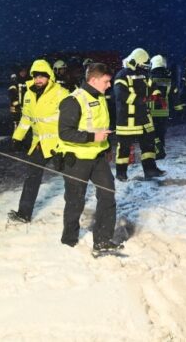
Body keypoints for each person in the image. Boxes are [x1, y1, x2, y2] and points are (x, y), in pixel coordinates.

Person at [57, 62, 121, 252]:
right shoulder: (73, 101)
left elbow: (100, 126)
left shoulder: (100, 97)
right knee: (75, 200)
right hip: (77, 160)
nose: (109, 85)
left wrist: (106, 147)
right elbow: (65, 133)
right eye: (106, 81)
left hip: (98, 158)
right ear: (93, 80)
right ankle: (69, 240)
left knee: (108, 194)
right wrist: (93, 137)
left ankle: (102, 239)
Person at [7, 59, 70, 223]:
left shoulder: (61, 93)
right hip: (39, 144)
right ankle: (24, 214)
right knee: (32, 177)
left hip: (59, 145)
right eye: (35, 77)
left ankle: (74, 213)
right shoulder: (29, 94)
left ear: (49, 76)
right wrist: (17, 137)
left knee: (72, 178)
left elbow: (71, 120)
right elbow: (26, 118)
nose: (38, 80)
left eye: (42, 77)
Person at [113, 48, 164, 181]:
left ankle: (150, 170)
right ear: (135, 62)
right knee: (124, 148)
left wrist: (157, 95)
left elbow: (153, 87)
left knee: (149, 146)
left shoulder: (145, 75)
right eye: (143, 66)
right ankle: (121, 173)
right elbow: (121, 95)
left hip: (144, 119)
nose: (144, 69)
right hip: (127, 120)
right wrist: (142, 100)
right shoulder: (121, 75)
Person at [147, 54, 178, 160]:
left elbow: (146, 93)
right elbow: (173, 94)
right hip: (164, 109)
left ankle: (158, 151)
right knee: (161, 131)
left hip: (152, 108)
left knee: (152, 131)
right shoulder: (168, 77)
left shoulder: (150, 77)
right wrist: (177, 108)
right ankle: (161, 149)